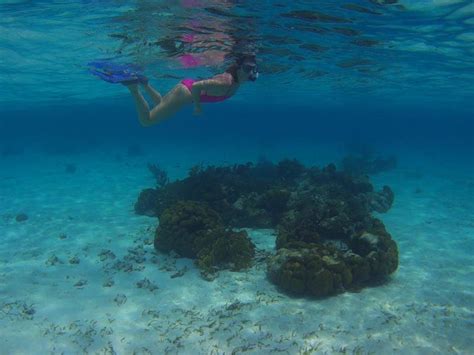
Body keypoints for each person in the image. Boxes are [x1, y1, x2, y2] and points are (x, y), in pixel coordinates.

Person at [125, 55, 258, 127]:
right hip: (185, 93)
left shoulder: (235, 81)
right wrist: (198, 107)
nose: (250, 73)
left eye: (253, 69)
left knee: (160, 103)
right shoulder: (226, 82)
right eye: (247, 68)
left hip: (185, 89)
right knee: (147, 121)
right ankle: (133, 88)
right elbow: (196, 87)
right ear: (239, 68)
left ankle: (144, 83)